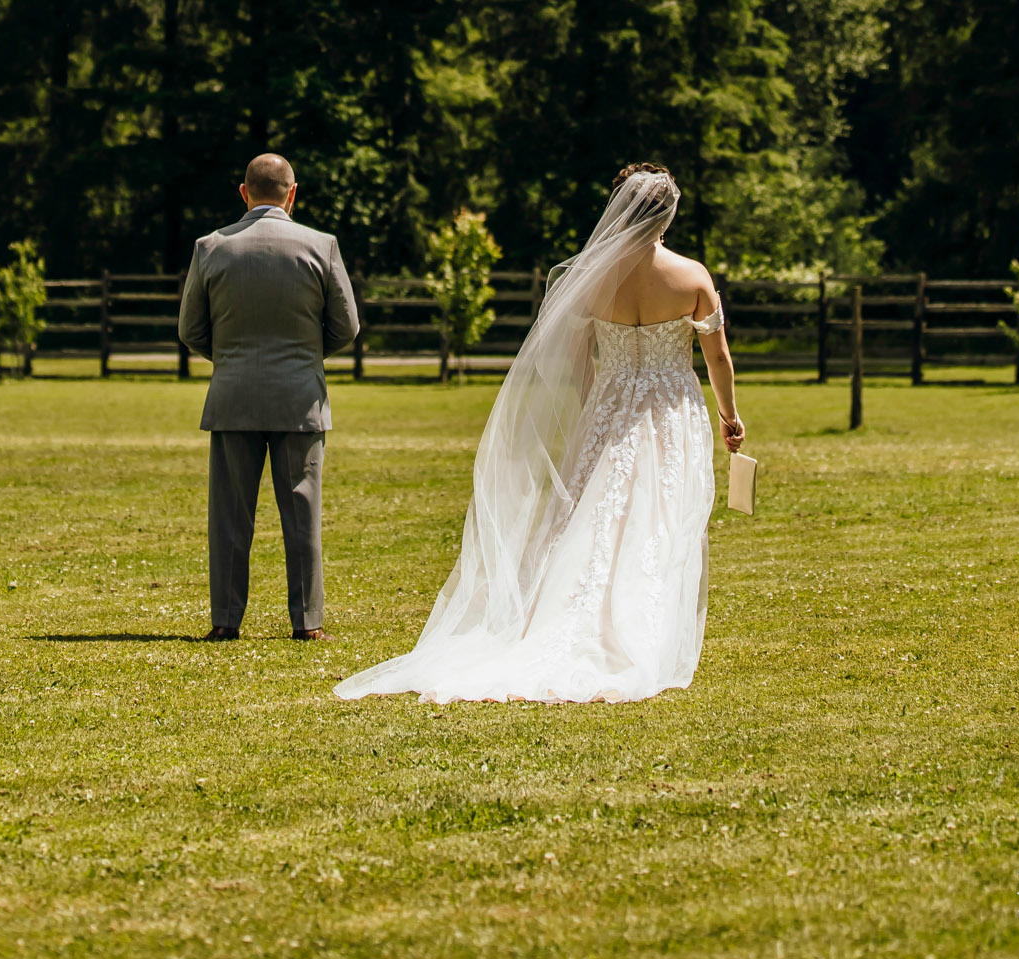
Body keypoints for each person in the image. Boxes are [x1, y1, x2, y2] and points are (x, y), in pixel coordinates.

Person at [335, 162, 743, 704]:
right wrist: (728, 416)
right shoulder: (692, 276)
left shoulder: (594, 280)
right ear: (668, 214)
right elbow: (717, 355)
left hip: (611, 407)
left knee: (595, 520)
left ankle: (572, 617)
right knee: (661, 518)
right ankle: (642, 631)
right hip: (670, 408)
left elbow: (575, 364)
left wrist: (600, 406)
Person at [178, 151, 360, 642]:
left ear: (244, 193)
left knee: (230, 519)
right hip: (300, 399)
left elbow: (190, 329)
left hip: (233, 395)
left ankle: (225, 620)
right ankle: (307, 622)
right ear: (292, 194)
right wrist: (304, 355)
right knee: (303, 515)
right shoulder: (321, 246)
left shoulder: (210, 247)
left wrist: (232, 359)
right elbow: (347, 327)